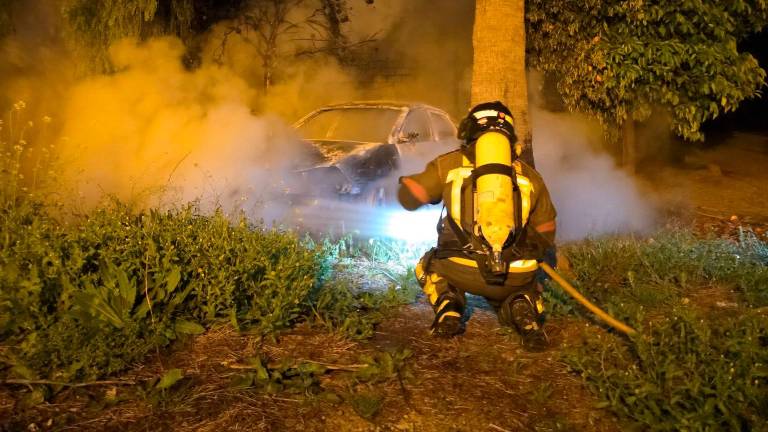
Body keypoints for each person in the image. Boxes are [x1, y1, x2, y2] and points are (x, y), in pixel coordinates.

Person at [397, 101, 557, 351]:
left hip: (458, 267)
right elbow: (546, 228)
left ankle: (448, 304)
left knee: (426, 266)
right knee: (528, 282)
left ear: (469, 131)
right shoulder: (530, 176)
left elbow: (409, 199)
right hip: (514, 275)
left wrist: (407, 184)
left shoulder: (448, 164)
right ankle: (522, 304)